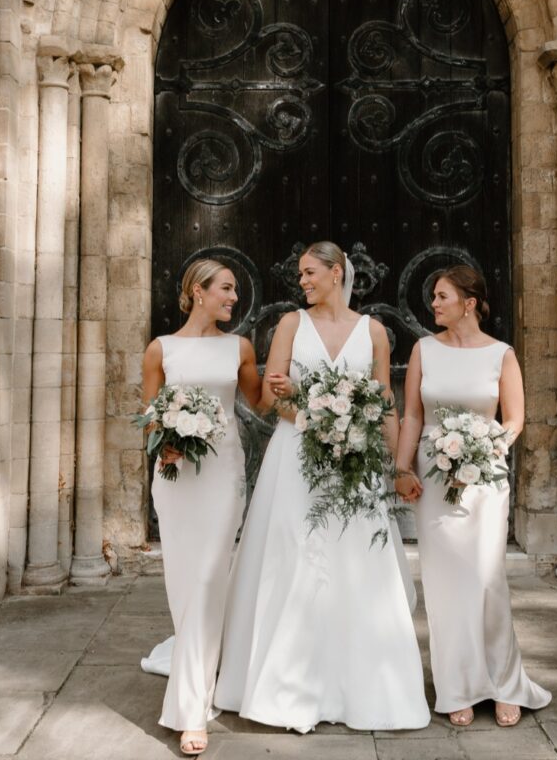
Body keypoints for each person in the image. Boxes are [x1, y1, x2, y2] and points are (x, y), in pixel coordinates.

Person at [214, 241, 430, 732]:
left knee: (357, 566)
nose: (303, 282)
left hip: (356, 465)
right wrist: (316, 417)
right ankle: (289, 684)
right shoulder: (292, 323)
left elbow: (385, 406)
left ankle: (364, 685)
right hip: (296, 461)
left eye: (311, 273)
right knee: (295, 561)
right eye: (301, 275)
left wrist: (398, 467)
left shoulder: (374, 332)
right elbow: (270, 398)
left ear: (337, 273)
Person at [394, 264, 551, 728]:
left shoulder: (501, 354)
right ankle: (456, 685)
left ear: (469, 302)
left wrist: (482, 452)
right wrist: (402, 469)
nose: (434, 304)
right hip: (434, 478)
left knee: (486, 579)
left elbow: (514, 419)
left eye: (442, 296)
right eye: (433, 298)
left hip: (484, 478)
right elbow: (414, 417)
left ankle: (504, 683)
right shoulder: (424, 349)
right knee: (445, 586)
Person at [140, 259, 261, 756]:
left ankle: (191, 710)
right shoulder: (160, 349)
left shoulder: (240, 347)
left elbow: (261, 401)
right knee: (185, 585)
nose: (234, 298)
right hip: (176, 479)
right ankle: (199, 666)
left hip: (222, 474)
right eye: (227, 289)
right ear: (198, 290)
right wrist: (162, 439)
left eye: (234, 290)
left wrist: (303, 388)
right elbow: (148, 416)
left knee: (211, 576)